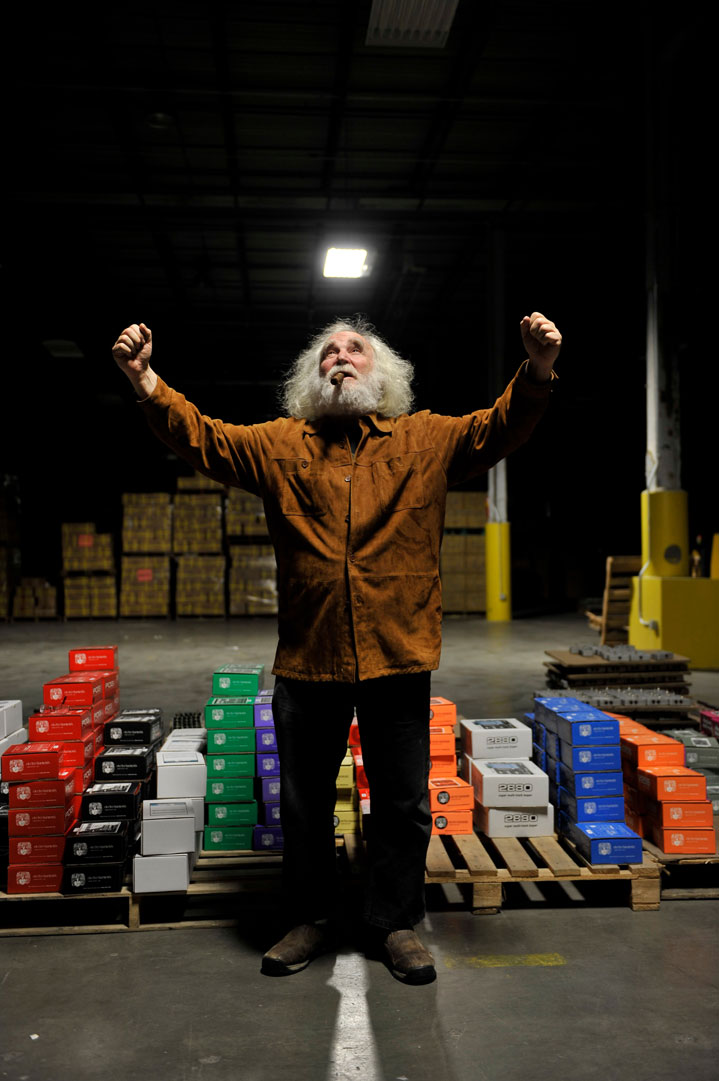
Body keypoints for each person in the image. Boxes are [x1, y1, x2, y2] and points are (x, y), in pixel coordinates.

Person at [112, 311, 561, 985]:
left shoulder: (424, 439)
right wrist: (145, 380)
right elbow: (204, 439)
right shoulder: (281, 444)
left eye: (354, 348)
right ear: (311, 377)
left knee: (403, 802)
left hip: (397, 651)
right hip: (310, 654)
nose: (339, 357)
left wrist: (536, 371)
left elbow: (498, 427)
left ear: (381, 374)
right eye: (327, 352)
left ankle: (395, 921)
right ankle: (309, 916)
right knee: (303, 800)